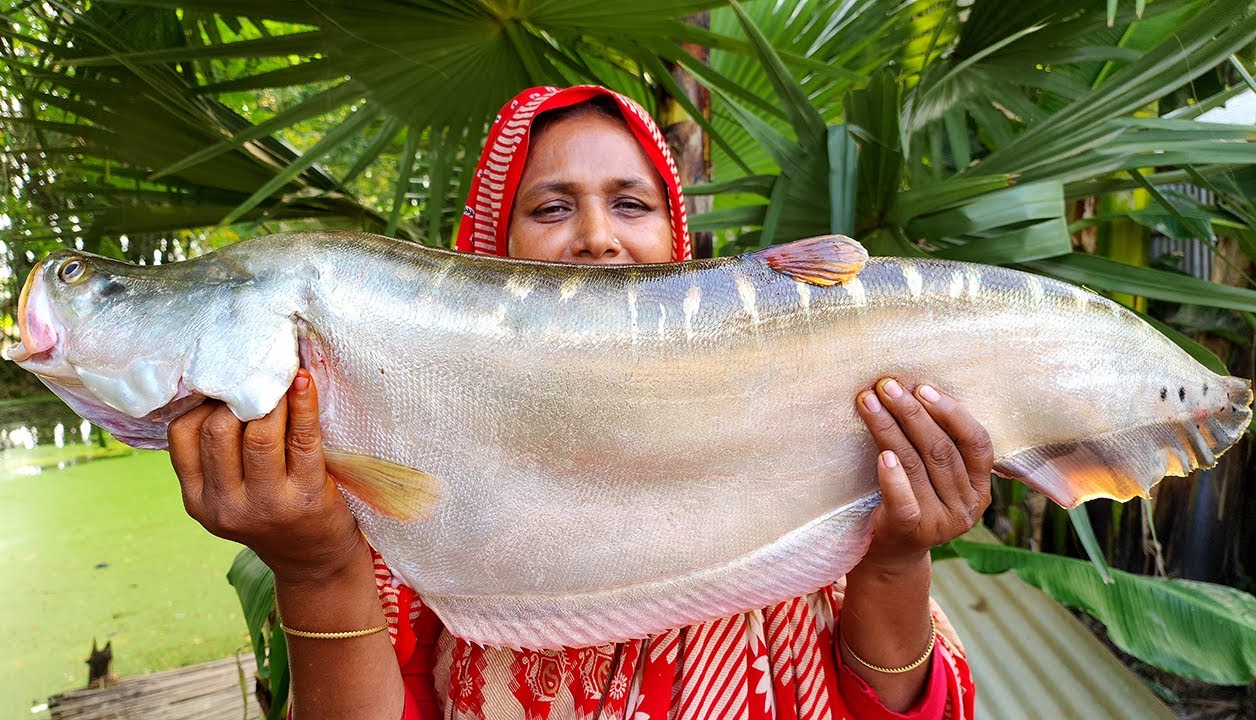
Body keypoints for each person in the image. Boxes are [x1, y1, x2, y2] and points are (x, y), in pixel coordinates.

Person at [168, 85, 990, 720]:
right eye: (552, 207)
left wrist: (894, 557)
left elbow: (912, 703)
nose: (597, 235)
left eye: (631, 204)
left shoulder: (808, 426)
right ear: (491, 249)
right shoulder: (404, 488)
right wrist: (317, 568)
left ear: (680, 247)